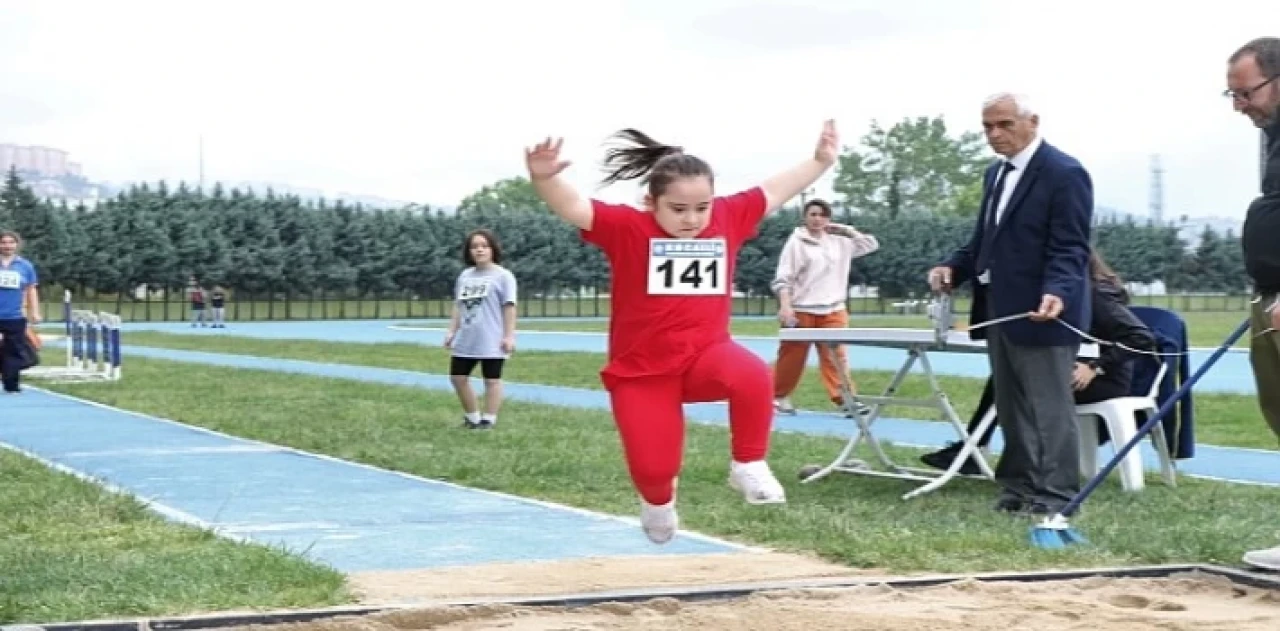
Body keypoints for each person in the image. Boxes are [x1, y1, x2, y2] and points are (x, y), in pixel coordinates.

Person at [524, 121, 839, 544]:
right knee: (654, 470)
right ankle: (658, 501)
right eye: (678, 209)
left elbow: (776, 188)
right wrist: (546, 178)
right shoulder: (627, 228)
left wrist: (820, 161)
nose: (692, 220)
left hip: (706, 356)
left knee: (752, 374)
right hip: (643, 372)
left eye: (701, 208)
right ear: (651, 202)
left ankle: (747, 463)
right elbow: (575, 207)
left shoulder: (728, 216)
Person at [927, 93, 1093, 516]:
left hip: (1044, 312)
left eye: (1003, 124)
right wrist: (953, 267)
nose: (994, 134)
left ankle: (1056, 495)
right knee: (1011, 406)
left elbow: (1070, 246)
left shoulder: (1065, 173)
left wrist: (1057, 290)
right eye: (987, 127)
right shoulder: (995, 175)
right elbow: (985, 242)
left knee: (1048, 407)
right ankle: (1017, 489)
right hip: (999, 310)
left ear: (1032, 121)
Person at [920, 249, 1157, 477]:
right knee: (1008, 375)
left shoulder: (1096, 295)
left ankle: (994, 454)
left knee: (1014, 381)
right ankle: (976, 448)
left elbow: (1141, 338)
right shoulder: (1061, 295)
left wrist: (1096, 366)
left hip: (1103, 380)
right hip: (1069, 369)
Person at [1226, 36, 1280, 572]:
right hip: (1269, 297)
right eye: (1232, 95)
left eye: (1246, 93)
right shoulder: (1271, 138)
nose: (1240, 104)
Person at [771, 198, 879, 416]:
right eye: (813, 214)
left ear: (828, 218)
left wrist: (846, 229)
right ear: (805, 217)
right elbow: (784, 277)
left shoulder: (839, 242)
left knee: (836, 356)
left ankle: (846, 399)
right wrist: (785, 306)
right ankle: (777, 396)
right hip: (802, 309)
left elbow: (870, 244)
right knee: (792, 356)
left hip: (833, 309)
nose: (817, 219)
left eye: (822, 214)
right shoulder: (797, 243)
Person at [444, 229, 518, 430]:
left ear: (492, 249)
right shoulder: (465, 276)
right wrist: (452, 331)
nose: (479, 250)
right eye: (474, 247)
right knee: (458, 378)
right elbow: (459, 305)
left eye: (484, 246)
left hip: (491, 338)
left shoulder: (503, 276)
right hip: (467, 337)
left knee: (492, 380)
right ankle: (472, 417)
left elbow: (509, 307)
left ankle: (488, 420)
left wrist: (509, 336)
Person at [0, 231, 41, 394]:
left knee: (14, 350)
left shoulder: (25, 266)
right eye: (3, 242)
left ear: (17, 245)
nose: (7, 245)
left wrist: (35, 311)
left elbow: (31, 289)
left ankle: (11, 384)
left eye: (11, 242)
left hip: (14, 316)